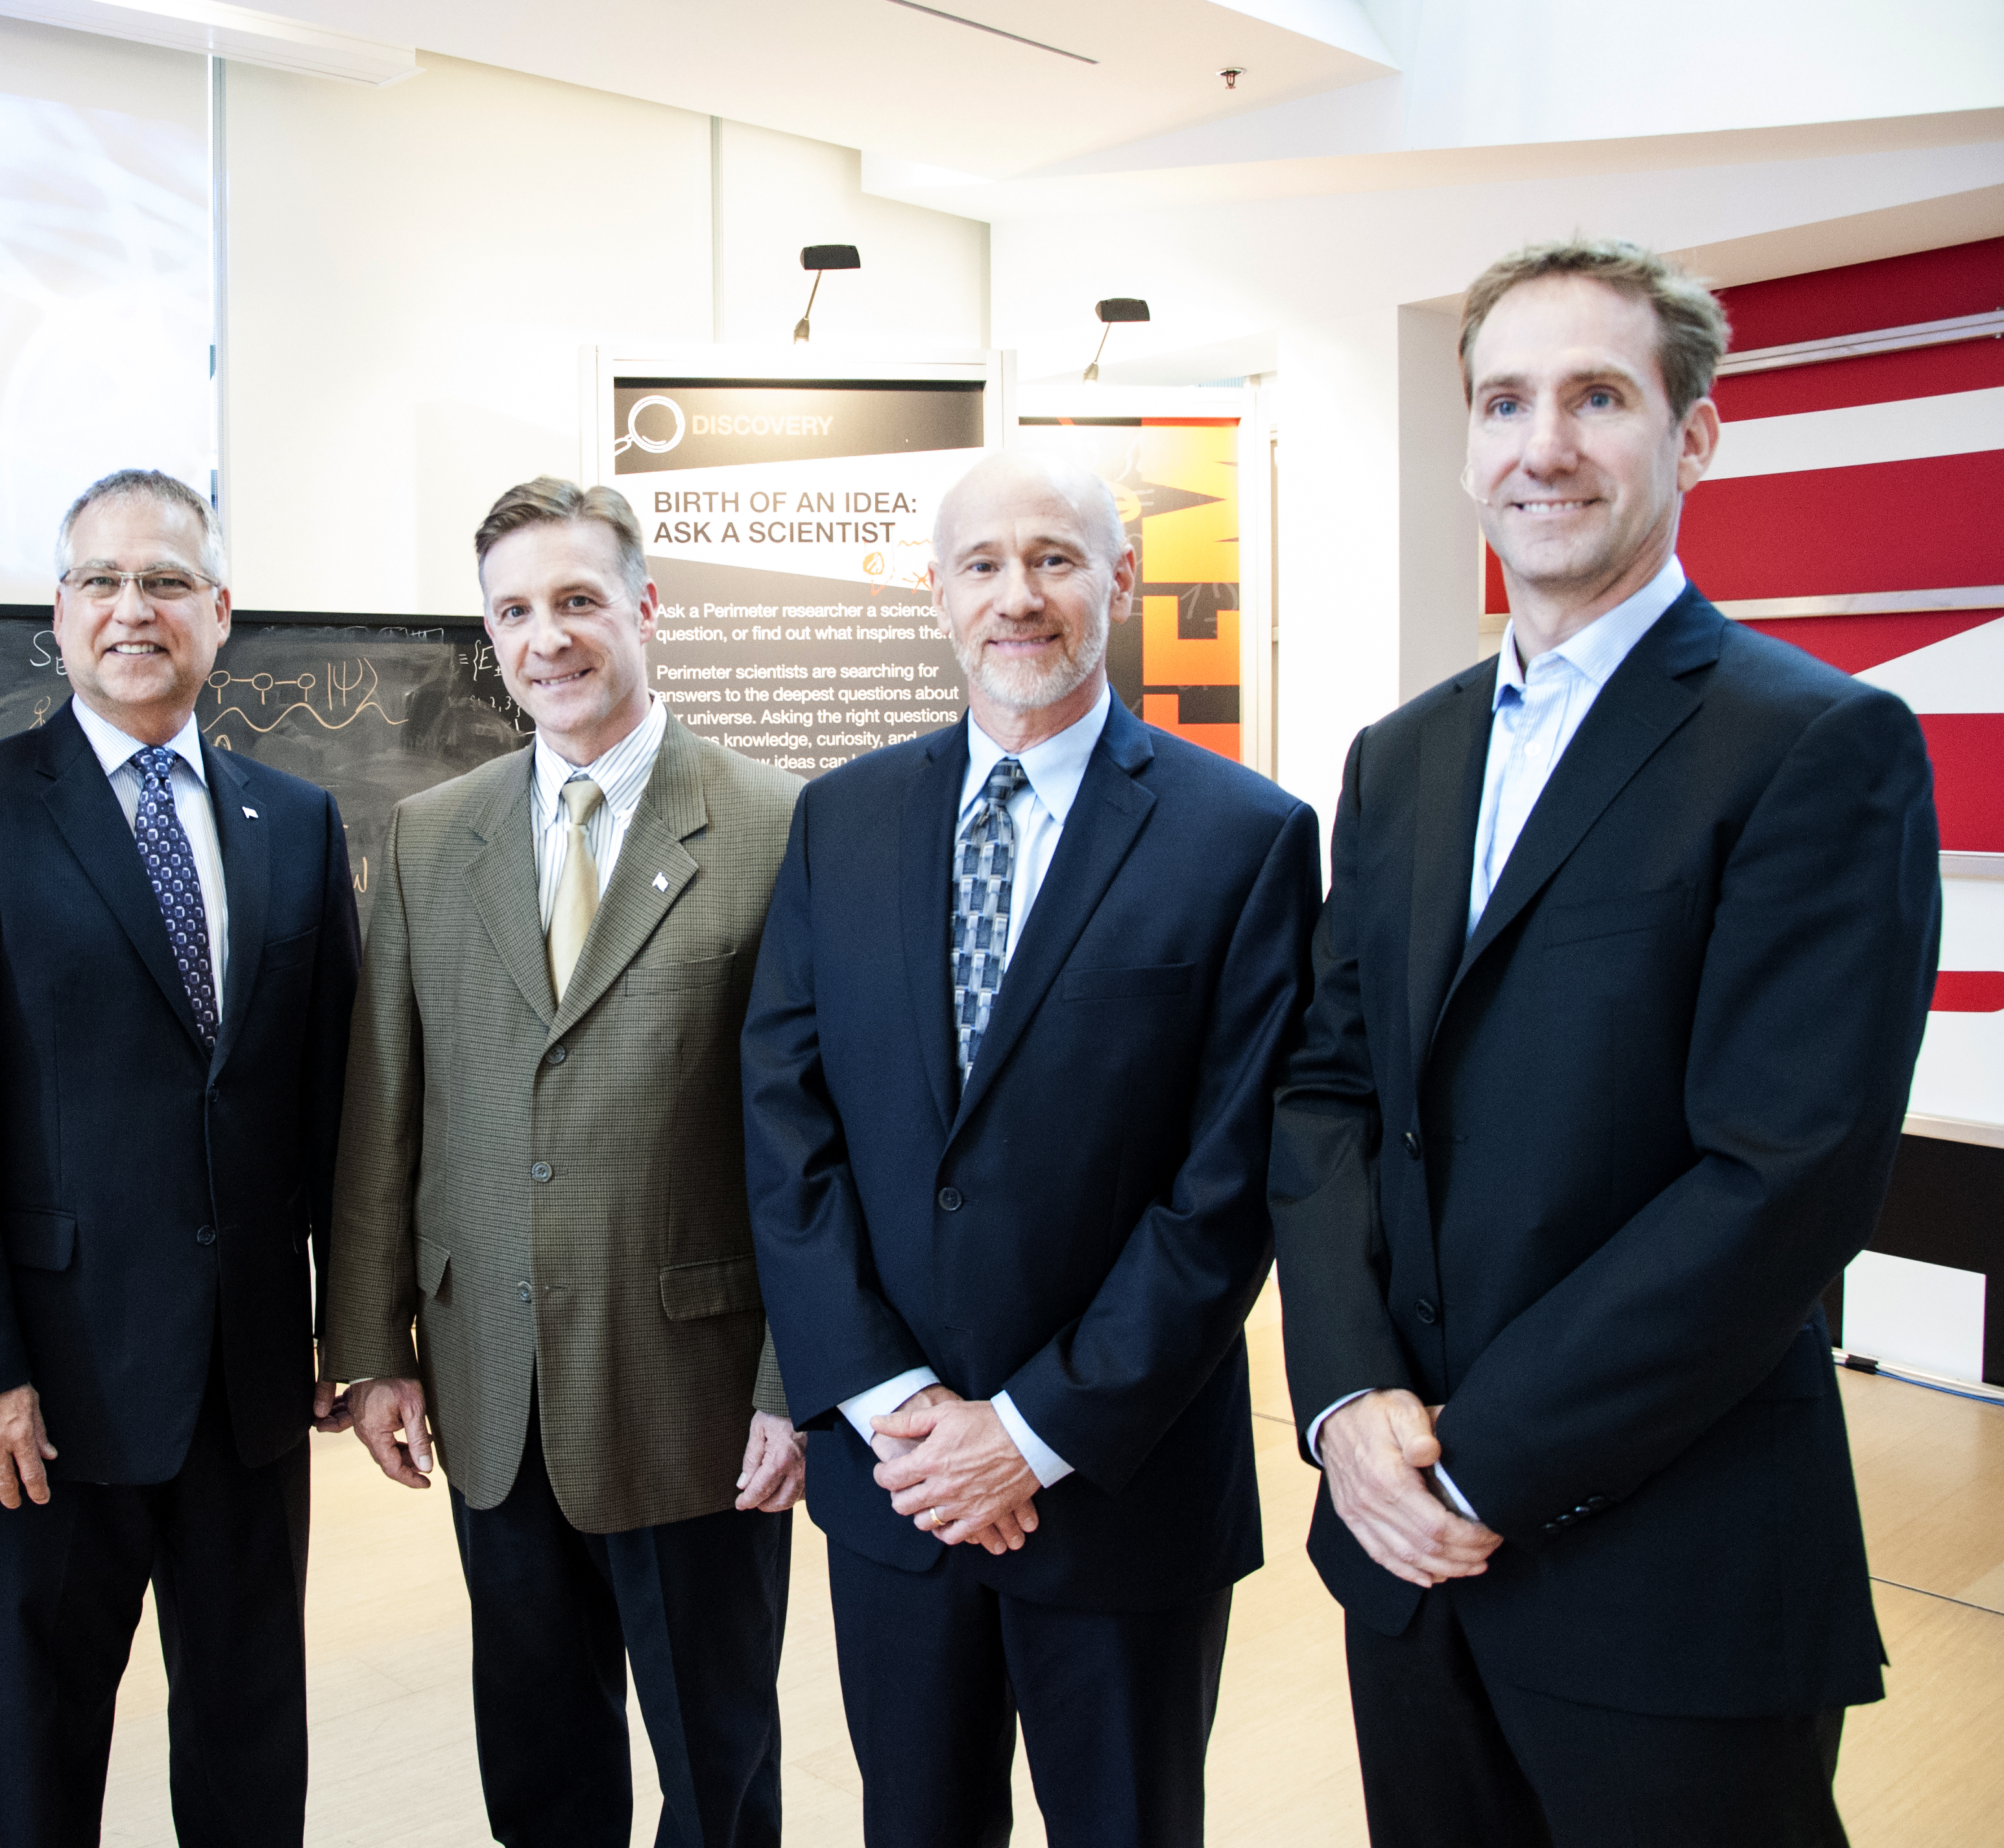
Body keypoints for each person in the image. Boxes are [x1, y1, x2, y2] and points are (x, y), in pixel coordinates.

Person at [1271, 236, 1942, 1847]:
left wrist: (1472, 1469)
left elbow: (1779, 1176)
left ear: (1692, 434)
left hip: (1667, 1570)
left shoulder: (1814, 743)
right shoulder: (1402, 755)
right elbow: (1327, 1089)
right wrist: (1345, 1396)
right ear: (1463, 446)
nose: (1541, 444)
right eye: (1502, 400)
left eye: (1596, 396)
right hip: (1404, 1563)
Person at [741, 449, 1320, 1848]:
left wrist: (1028, 1432)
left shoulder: (1242, 835)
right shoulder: (842, 817)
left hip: (1115, 1484)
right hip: (897, 1486)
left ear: (1118, 581)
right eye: (982, 564)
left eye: (1055, 558)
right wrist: (896, 1409)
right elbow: (782, 1113)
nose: (1019, 596)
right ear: (933, 593)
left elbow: (1226, 1183)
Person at [0, 468, 357, 1848]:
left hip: (247, 1388)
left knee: (251, 1738)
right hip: (41, 1404)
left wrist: (354, 1325)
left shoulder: (295, 822)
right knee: (36, 1746)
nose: (133, 609)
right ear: (58, 612)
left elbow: (331, 1110)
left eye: (167, 583)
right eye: (101, 582)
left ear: (220, 610)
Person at [322, 477, 806, 1848]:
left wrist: (798, 1379)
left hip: (698, 1394)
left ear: (647, 608)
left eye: (578, 600)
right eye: (514, 610)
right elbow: (384, 1115)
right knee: (537, 1752)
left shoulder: (775, 825)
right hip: (492, 1386)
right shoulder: (431, 833)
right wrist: (371, 1347)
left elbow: (808, 1135)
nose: (547, 638)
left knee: (716, 1760)